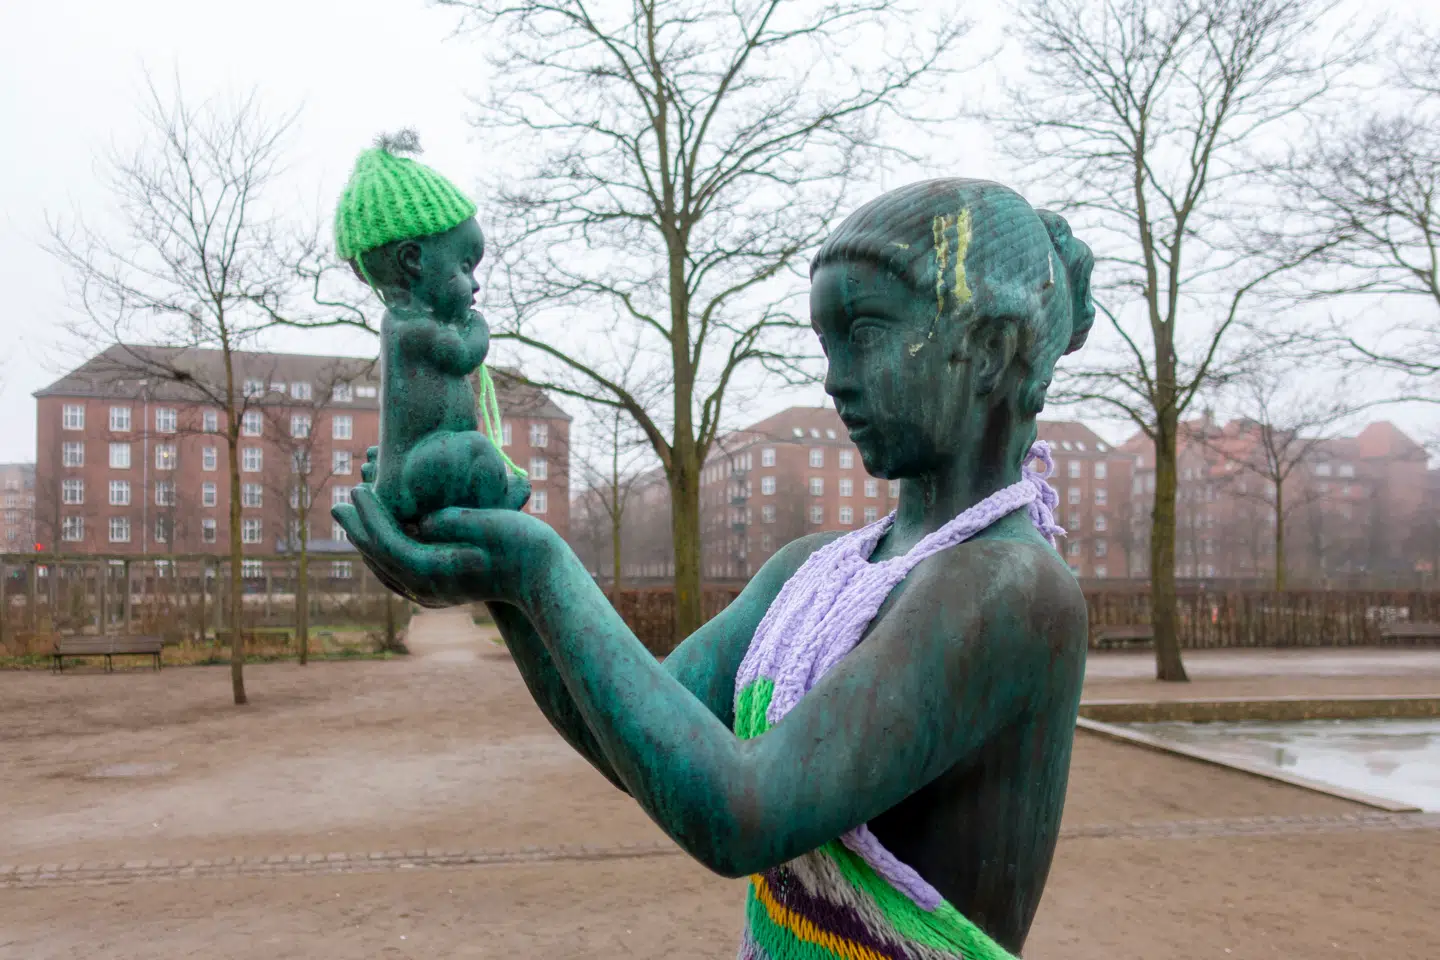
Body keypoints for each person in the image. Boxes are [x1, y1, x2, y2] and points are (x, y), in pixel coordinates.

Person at [335, 178, 1094, 959]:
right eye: (826, 345)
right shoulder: (813, 571)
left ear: (993, 353)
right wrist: (500, 578)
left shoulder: (1010, 590)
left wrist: (537, 567)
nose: (835, 379)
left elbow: (743, 817)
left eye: (864, 332)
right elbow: (635, 738)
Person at [333, 130, 530, 526]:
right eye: (463, 267)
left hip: (421, 461)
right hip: (418, 468)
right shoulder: (411, 327)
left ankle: (477, 499)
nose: (474, 284)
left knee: (465, 449)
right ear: (413, 262)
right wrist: (480, 328)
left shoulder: (408, 322)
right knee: (475, 449)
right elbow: (463, 355)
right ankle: (493, 502)